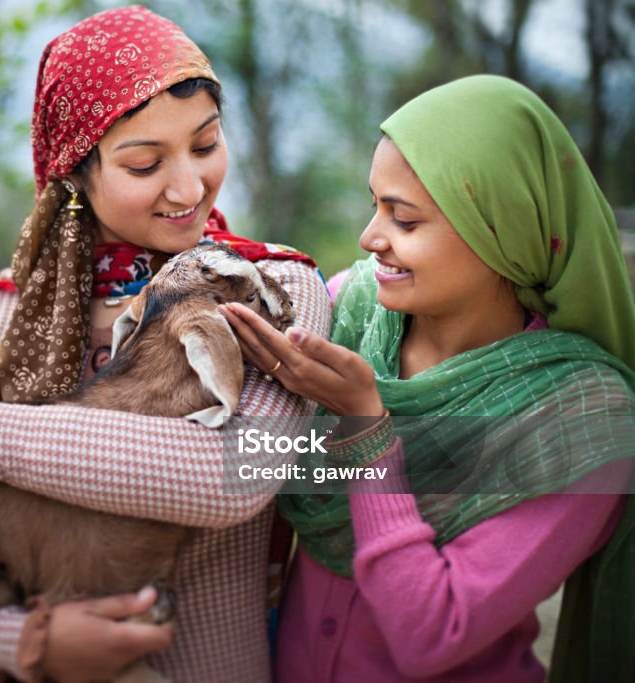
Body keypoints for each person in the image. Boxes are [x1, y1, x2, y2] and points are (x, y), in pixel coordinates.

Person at [0, 6, 331, 682]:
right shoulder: (11, 312)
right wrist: (28, 641)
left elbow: (236, 475)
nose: (189, 187)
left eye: (205, 144)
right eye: (144, 163)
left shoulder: (264, 287)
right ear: (76, 173)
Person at [220, 74, 635, 681]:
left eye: (405, 221)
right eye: (373, 205)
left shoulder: (583, 424)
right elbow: (253, 471)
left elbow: (431, 634)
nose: (369, 239)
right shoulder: (351, 313)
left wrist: (366, 432)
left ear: (501, 230)